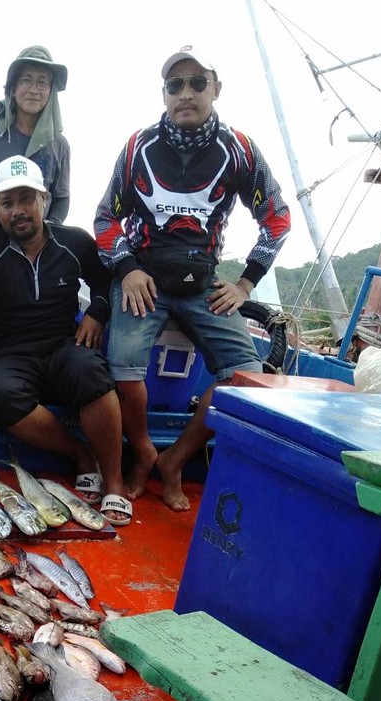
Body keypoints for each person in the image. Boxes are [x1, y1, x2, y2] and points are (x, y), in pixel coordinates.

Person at [95, 45, 291, 510]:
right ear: (164, 93)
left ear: (215, 89)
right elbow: (105, 219)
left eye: (197, 83)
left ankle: (176, 459)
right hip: (145, 277)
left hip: (204, 282)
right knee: (122, 365)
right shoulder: (138, 147)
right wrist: (128, 270)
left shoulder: (239, 150)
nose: (185, 93)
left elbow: (277, 218)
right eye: (174, 85)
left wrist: (245, 283)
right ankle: (142, 451)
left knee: (247, 376)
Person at [0, 156, 130, 524]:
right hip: (7, 355)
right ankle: (79, 454)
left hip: (61, 346)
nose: (18, 211)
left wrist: (97, 312)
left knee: (92, 372)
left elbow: (104, 283)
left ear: (43, 199)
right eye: (7, 203)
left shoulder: (74, 241)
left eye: (26, 199)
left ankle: (115, 483)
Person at [0, 46, 70, 224]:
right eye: (26, 80)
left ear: (51, 90)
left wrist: (52, 227)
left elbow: (62, 198)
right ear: (13, 86)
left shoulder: (59, 144)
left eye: (42, 82)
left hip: (37, 240)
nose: (34, 90)